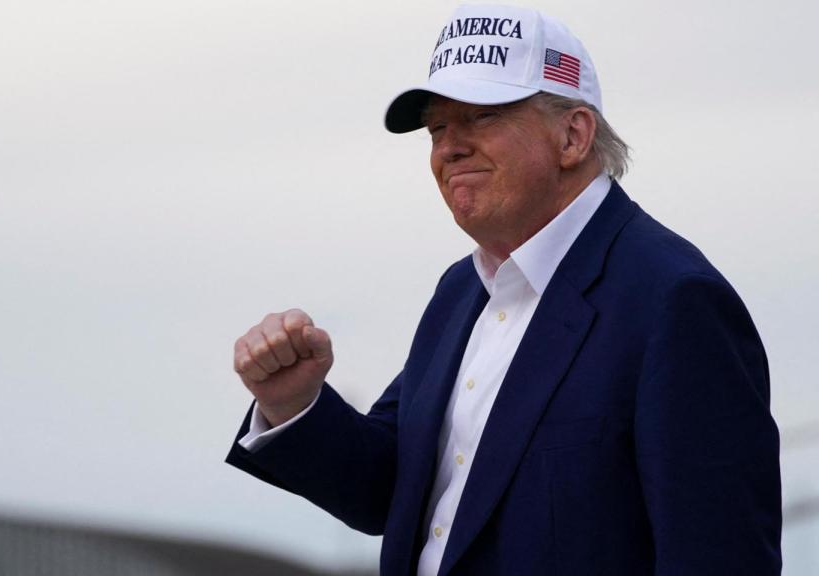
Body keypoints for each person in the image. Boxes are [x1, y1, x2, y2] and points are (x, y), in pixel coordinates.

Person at [226, 4, 782, 575]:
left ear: (573, 135)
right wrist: (293, 404)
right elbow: (391, 490)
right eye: (439, 128)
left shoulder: (673, 300)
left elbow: (719, 555)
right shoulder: (461, 291)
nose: (449, 147)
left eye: (482, 118)